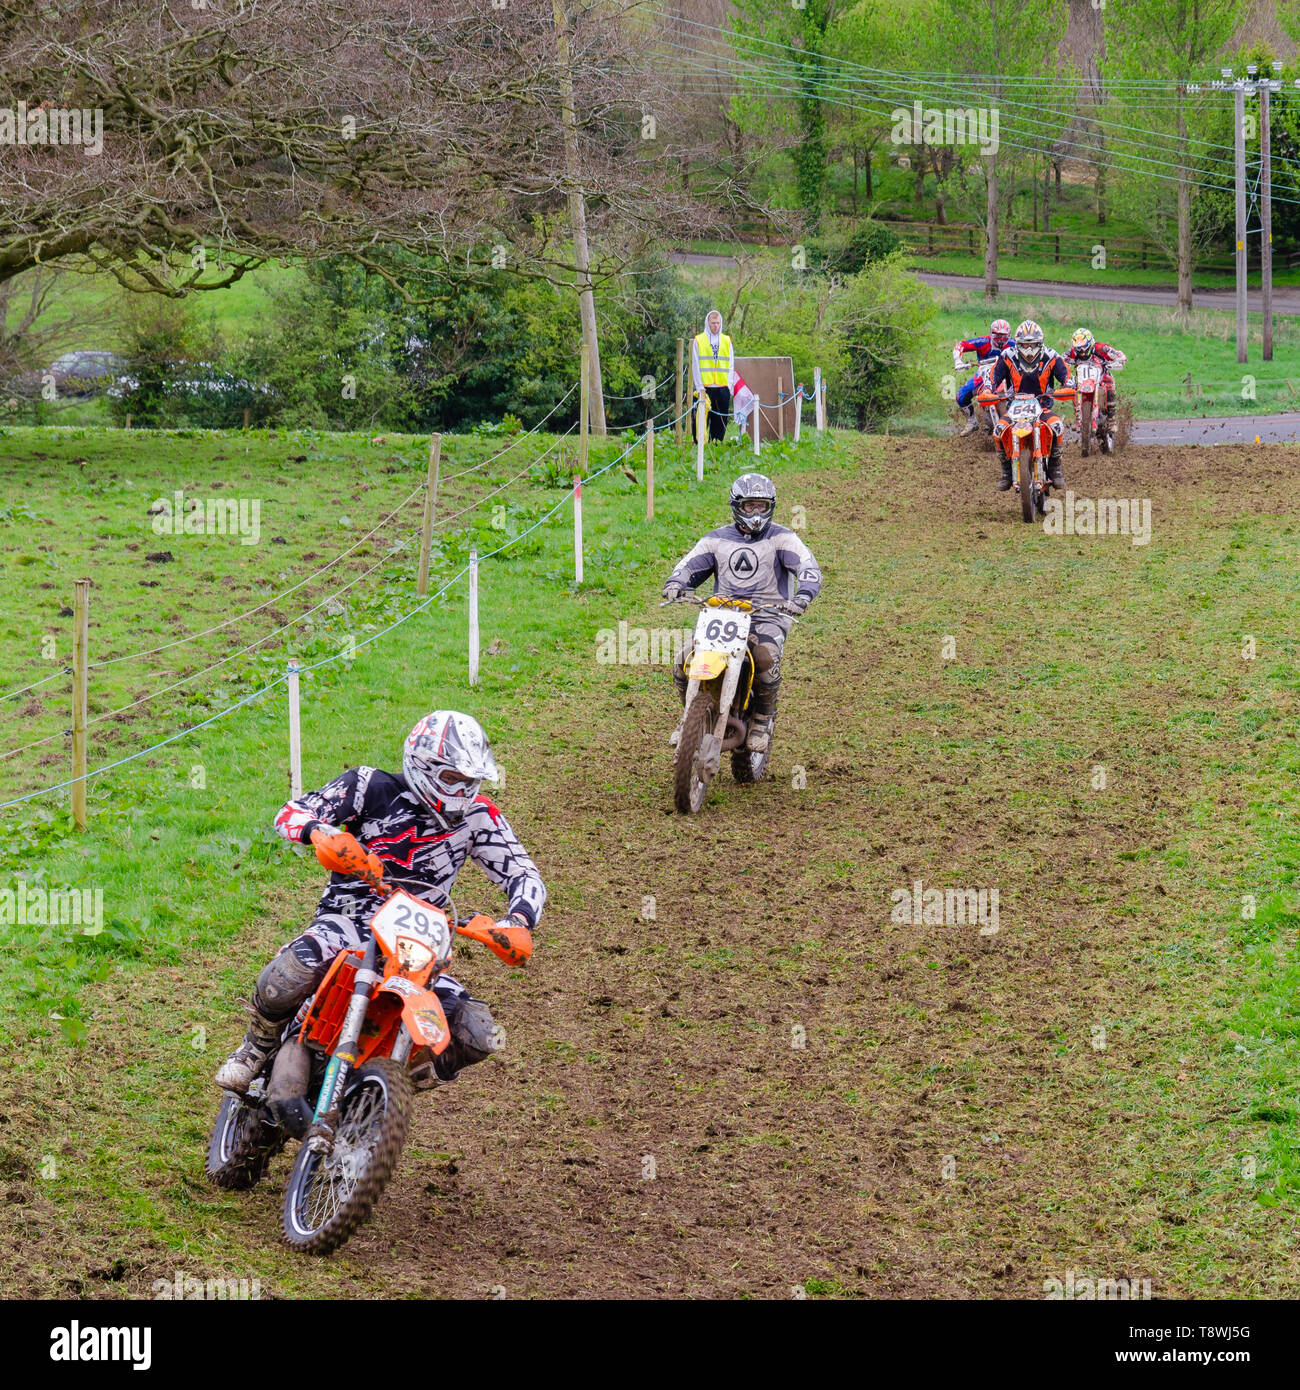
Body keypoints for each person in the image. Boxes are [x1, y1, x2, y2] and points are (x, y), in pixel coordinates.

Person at [215, 711, 545, 1094]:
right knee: (291, 971)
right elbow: (291, 812)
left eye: (470, 781)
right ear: (423, 765)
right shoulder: (369, 785)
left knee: (478, 1031)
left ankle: (400, 1086)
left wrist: (518, 920)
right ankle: (257, 1044)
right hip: (348, 918)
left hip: (417, 944)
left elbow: (524, 874)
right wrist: (322, 834)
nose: (461, 791)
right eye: (452, 779)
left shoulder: (479, 816)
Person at [662, 473, 821, 755]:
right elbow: (689, 564)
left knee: (764, 657)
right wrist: (676, 583)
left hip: (768, 615)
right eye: (750, 506)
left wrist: (803, 595)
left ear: (771, 505)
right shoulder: (716, 539)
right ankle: (688, 716)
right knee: (683, 658)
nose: (757, 512)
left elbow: (807, 565)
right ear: (737, 505)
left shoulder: (783, 538)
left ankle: (763, 718)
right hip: (721, 614)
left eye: (762, 505)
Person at [985, 319, 1070, 492]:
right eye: (1024, 344)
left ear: (1040, 343)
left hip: (1042, 407)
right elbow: (992, 376)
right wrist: (988, 389)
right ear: (1018, 344)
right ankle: (1007, 473)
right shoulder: (1007, 356)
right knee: (997, 431)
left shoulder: (1051, 356)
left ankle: (1055, 468)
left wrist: (1068, 386)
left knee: (1058, 426)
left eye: (1033, 345)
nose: (1029, 349)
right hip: (1015, 408)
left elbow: (1067, 376)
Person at [953, 318, 1011, 435]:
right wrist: (958, 361)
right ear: (992, 334)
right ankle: (972, 422)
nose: (1001, 340)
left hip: (1007, 374)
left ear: (1009, 335)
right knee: (961, 396)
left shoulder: (1014, 344)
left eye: (1004, 336)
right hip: (984, 373)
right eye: (998, 336)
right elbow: (960, 345)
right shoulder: (983, 341)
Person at [691, 309, 734, 444]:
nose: (715, 325)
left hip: (722, 388)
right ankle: (699, 447)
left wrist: (729, 386)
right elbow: (695, 365)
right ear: (707, 323)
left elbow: (731, 364)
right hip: (705, 388)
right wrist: (699, 388)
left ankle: (716, 447)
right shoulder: (699, 340)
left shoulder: (726, 340)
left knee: (720, 423)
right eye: (713, 323)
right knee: (700, 421)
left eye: (717, 323)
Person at [1062, 328, 1126, 418]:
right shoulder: (1072, 353)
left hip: (1101, 376)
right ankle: (1078, 413)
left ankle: (1112, 419)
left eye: (1084, 348)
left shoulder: (1101, 348)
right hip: (1082, 380)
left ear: (1090, 343)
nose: (1082, 351)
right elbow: (1060, 360)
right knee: (1072, 387)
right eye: (1078, 349)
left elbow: (1120, 355)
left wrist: (1116, 362)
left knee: (1109, 382)